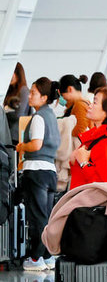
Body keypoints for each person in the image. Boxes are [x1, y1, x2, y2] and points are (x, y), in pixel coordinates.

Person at [16, 77, 60, 271]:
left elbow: (36, 144)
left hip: (36, 171)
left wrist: (21, 146)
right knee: (47, 215)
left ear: (43, 97)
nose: (30, 95)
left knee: (37, 217)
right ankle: (48, 255)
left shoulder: (39, 117)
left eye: (33, 92)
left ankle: (35, 258)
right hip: (50, 170)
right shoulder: (51, 115)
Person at [4, 61, 30, 143]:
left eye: (12, 73)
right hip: (8, 134)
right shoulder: (10, 91)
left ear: (18, 74)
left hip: (16, 136)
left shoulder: (23, 90)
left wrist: (5, 112)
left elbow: (18, 114)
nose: (10, 76)